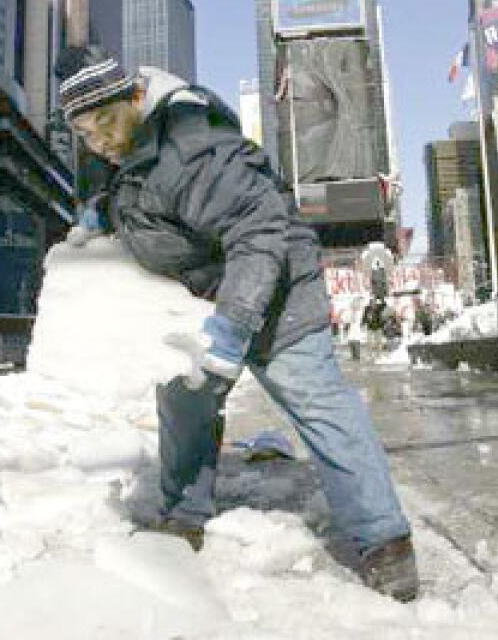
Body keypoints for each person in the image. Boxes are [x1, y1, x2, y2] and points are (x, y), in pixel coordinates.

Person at [56, 46, 418, 602]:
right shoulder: (134, 157)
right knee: (183, 401)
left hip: (275, 292)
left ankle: (385, 541)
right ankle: (183, 517)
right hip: (205, 297)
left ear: (135, 99)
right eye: (86, 132)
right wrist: (101, 214)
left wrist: (235, 324)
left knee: (318, 404)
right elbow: (153, 204)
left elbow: (259, 232)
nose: (99, 139)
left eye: (105, 121)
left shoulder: (192, 147)